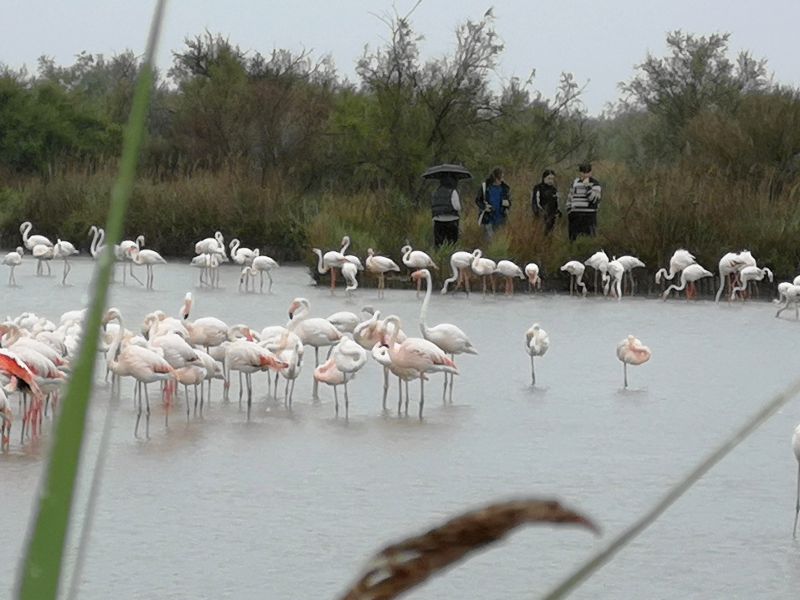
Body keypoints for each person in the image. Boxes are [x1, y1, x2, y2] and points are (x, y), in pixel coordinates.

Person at [566, 162, 602, 241]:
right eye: (583, 172)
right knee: (573, 238)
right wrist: (569, 210)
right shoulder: (575, 183)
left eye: (587, 172)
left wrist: (587, 187)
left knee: (590, 238)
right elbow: (570, 197)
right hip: (575, 216)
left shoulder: (595, 184)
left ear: (590, 173)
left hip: (589, 216)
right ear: (580, 173)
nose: (585, 175)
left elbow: (594, 199)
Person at [475, 167, 511, 238]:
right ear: (495, 178)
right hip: (488, 218)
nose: (502, 180)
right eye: (501, 177)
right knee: (489, 239)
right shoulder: (485, 187)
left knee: (500, 238)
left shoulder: (505, 188)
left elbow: (509, 201)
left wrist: (508, 204)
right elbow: (478, 200)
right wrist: (485, 207)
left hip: (501, 217)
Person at [431, 176, 462, 246]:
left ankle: (439, 256)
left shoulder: (436, 191)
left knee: (439, 243)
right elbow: (457, 207)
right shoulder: (453, 191)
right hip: (452, 220)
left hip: (438, 220)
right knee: (452, 242)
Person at [531, 169, 561, 234]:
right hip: (541, 217)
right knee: (539, 236)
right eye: (549, 178)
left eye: (552, 179)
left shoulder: (554, 190)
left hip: (552, 218)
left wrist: (558, 212)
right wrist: (539, 213)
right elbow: (535, 202)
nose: (551, 181)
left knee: (549, 236)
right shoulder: (538, 188)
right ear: (544, 178)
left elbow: (557, 203)